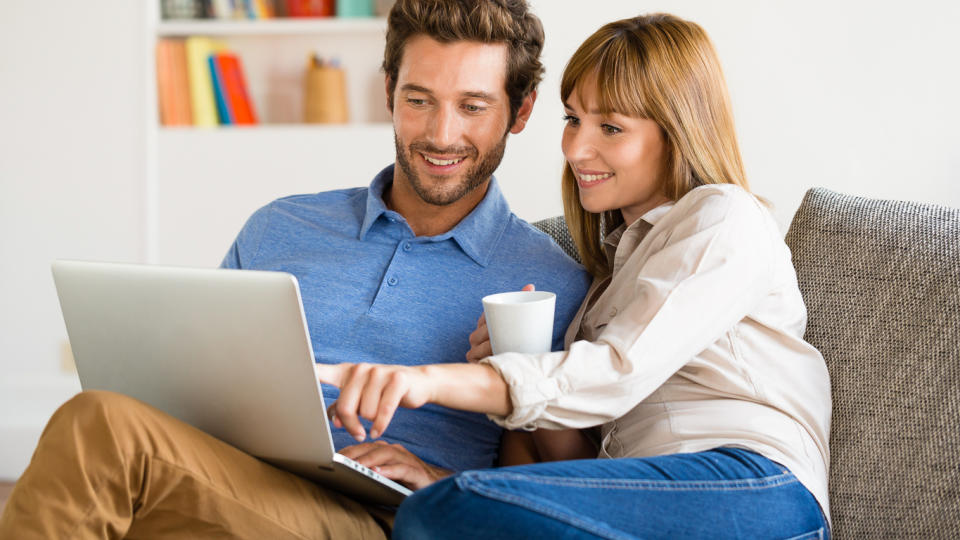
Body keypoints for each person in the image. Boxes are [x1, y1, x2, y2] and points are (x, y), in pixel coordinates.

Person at [0, 1, 591, 538]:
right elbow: (196, 382)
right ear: (388, 91)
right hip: (231, 479)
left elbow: (564, 491)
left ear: (520, 111)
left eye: (472, 107)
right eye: (419, 99)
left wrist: (438, 476)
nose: (441, 134)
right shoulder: (279, 227)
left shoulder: (550, 281)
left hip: (383, 517)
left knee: (100, 426)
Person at [316, 13, 833, 539]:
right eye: (572, 120)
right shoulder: (606, 286)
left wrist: (422, 381)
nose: (576, 149)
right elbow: (561, 466)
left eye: (610, 127)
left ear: (677, 130)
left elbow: (615, 372)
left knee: (443, 513)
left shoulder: (724, 217)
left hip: (755, 488)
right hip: (640, 494)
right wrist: (445, 471)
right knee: (442, 506)